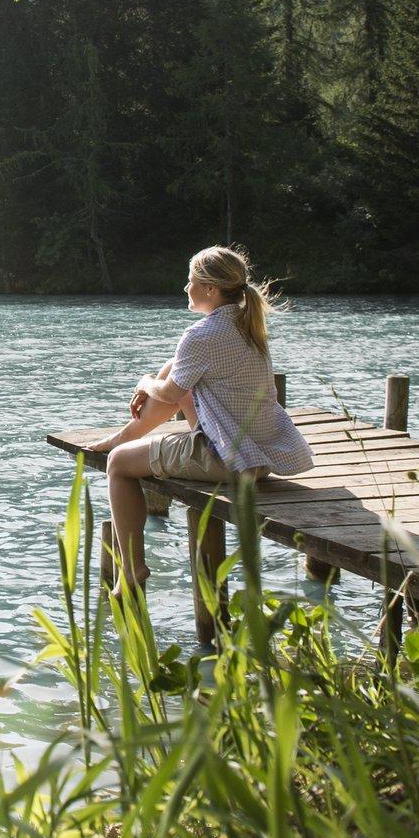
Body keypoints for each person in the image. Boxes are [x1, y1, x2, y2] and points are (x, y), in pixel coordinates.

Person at [86, 245, 314, 595]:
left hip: (229, 461)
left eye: (190, 280)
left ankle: (131, 570)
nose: (185, 288)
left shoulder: (202, 335)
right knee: (179, 382)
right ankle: (124, 436)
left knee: (118, 464)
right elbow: (180, 380)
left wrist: (145, 382)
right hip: (262, 455)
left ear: (210, 289)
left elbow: (167, 392)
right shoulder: (247, 324)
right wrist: (159, 380)